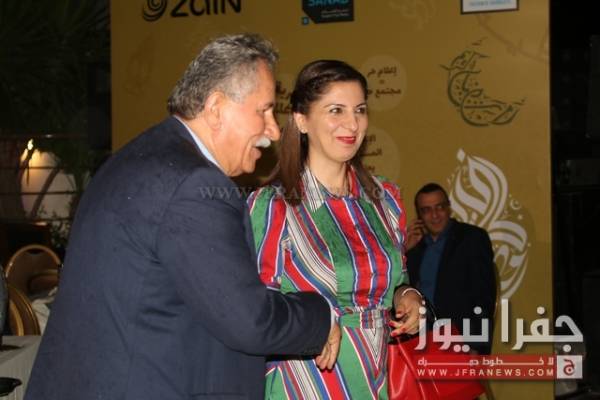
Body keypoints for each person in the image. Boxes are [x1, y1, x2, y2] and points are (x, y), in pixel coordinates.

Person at [25, 33, 339, 400]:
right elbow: (248, 320)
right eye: (264, 110)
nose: (272, 129)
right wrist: (321, 316)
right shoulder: (193, 183)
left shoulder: (137, 157)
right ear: (217, 107)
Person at [248, 59, 422, 399]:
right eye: (336, 110)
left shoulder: (385, 199)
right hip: (308, 381)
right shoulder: (274, 205)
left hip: (381, 378)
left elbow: (397, 280)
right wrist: (318, 321)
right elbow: (257, 309)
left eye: (360, 110)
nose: (352, 123)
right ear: (301, 120)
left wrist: (408, 296)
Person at [405, 182, 497, 354]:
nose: (434, 215)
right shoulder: (415, 248)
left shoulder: (472, 239)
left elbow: (484, 297)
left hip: (460, 341)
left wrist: (475, 345)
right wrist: (404, 252)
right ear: (419, 216)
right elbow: (400, 292)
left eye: (439, 207)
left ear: (449, 207)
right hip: (419, 342)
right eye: (426, 210)